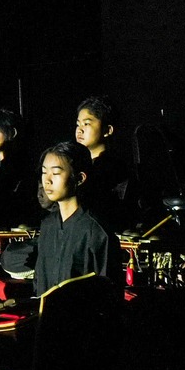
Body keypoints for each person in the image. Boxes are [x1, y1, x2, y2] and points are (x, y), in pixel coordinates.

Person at [26, 140, 120, 297]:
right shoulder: (48, 225)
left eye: (56, 173)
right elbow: (39, 280)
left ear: (80, 178)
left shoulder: (96, 232)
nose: (47, 180)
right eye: (44, 172)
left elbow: (108, 294)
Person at [74, 95, 136, 230]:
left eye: (87, 124)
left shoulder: (113, 167)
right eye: (78, 124)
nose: (79, 129)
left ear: (107, 130)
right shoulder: (78, 163)